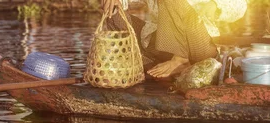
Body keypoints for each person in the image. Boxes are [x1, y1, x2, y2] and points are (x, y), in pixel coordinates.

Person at [100, 0, 247, 78]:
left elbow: (240, 5)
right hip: (167, 42)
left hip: (200, 44)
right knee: (114, 14)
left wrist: (214, 4)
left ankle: (180, 61)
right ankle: (142, 63)